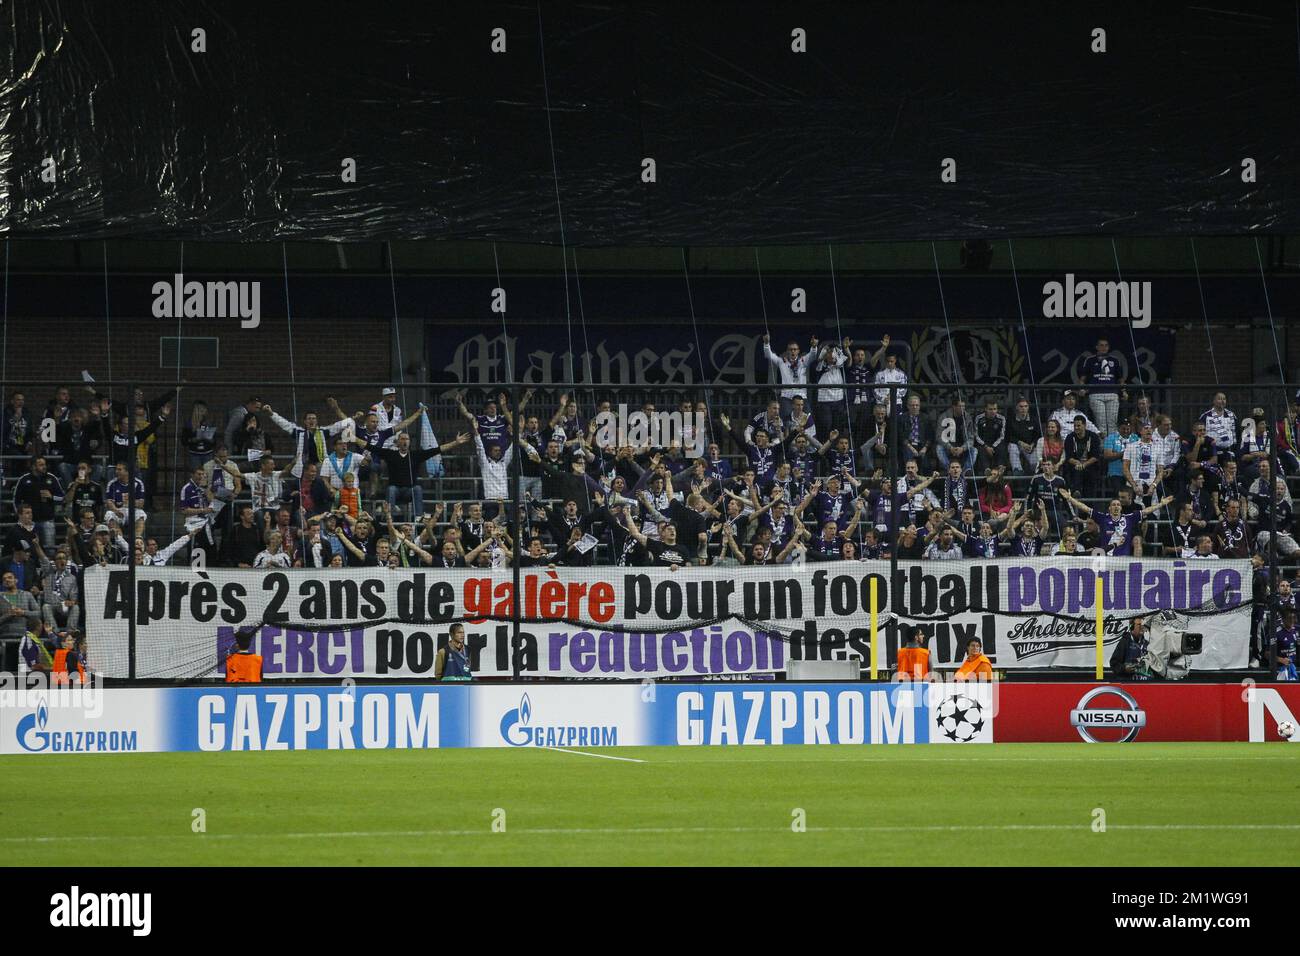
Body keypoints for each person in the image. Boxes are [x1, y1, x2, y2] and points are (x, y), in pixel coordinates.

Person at [1109, 615, 1151, 681]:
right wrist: (1124, 669)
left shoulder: (1147, 644)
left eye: (1143, 625)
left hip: (1144, 684)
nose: (1142, 627)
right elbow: (1114, 664)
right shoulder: (1124, 642)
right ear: (1132, 626)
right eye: (1139, 624)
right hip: (1128, 683)